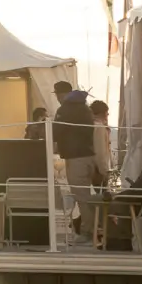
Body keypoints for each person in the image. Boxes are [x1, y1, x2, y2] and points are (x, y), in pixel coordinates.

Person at [51, 82, 97, 238]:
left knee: (81, 197)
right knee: (86, 195)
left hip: (76, 157)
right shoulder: (84, 107)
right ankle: (93, 227)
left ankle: (88, 231)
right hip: (88, 156)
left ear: (60, 94)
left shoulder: (65, 109)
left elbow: (55, 132)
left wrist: (42, 128)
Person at [89, 99, 114, 184]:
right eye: (107, 113)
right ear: (102, 113)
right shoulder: (99, 128)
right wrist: (104, 170)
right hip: (98, 170)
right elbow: (100, 151)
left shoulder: (91, 125)